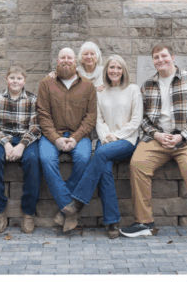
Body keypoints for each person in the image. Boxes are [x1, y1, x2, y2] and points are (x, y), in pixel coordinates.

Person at [119, 45, 187, 252]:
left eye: (164, 56)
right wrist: (156, 135)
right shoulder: (147, 86)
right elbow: (141, 117)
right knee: (137, 165)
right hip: (158, 139)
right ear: (153, 61)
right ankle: (145, 223)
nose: (160, 60)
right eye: (156, 57)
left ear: (172, 57)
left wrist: (182, 135)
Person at [60, 55, 142, 237]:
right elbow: (99, 120)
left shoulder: (133, 89)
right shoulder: (101, 92)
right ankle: (112, 222)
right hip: (106, 143)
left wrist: (117, 136)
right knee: (104, 167)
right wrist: (106, 137)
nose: (115, 71)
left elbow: (136, 121)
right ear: (106, 70)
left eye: (118, 68)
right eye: (111, 67)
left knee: (101, 155)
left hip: (128, 141)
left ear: (124, 70)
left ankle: (77, 202)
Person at [36, 47, 98, 234]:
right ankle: (69, 208)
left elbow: (91, 116)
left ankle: (65, 211)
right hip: (51, 135)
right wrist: (55, 139)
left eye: (69, 58)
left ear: (75, 61)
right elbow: (43, 114)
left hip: (79, 135)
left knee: (83, 159)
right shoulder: (46, 84)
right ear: (57, 60)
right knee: (46, 159)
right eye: (62, 57)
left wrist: (75, 138)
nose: (66, 61)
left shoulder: (88, 86)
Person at [0, 65, 40, 235]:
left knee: (33, 160)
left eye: (19, 78)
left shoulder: (32, 99)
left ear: (24, 81)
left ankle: (29, 212)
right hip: (2, 138)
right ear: (7, 79)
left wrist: (22, 145)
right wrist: (7, 144)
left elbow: (36, 127)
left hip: (26, 139)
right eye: (12, 78)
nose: (15, 81)